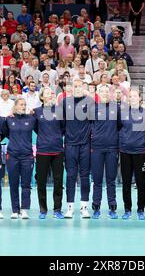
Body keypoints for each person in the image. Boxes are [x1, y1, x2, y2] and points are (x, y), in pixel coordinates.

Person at [33, 88, 65, 219]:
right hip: (42, 151)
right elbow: (35, 128)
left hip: (57, 150)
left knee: (58, 181)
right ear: (42, 97)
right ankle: (43, 209)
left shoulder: (59, 111)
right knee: (41, 181)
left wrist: (56, 137)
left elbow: (63, 127)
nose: (50, 94)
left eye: (51, 93)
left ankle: (57, 209)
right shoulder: (36, 112)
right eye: (47, 93)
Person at [63, 79, 92, 219]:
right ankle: (69, 207)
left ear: (84, 88)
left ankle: (84, 207)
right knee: (70, 176)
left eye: (80, 86)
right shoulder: (65, 102)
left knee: (85, 176)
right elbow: (61, 123)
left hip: (85, 145)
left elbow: (94, 121)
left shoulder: (89, 101)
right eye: (75, 86)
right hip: (70, 145)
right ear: (71, 88)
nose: (78, 88)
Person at [119, 90, 145, 220]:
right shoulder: (123, 113)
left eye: (135, 96)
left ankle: (141, 209)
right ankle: (127, 209)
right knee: (126, 182)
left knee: (141, 182)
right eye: (130, 96)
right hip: (125, 152)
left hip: (140, 153)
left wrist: (143, 142)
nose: (132, 98)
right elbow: (118, 128)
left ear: (140, 98)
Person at [90, 86, 119, 219]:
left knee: (111, 179)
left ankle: (112, 207)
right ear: (98, 94)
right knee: (97, 180)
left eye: (107, 91)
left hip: (112, 148)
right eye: (102, 91)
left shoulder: (116, 108)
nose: (105, 93)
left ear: (110, 94)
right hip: (96, 148)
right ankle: (96, 207)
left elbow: (120, 125)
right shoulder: (93, 109)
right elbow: (89, 126)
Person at [4, 98, 37, 219]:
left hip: (27, 156)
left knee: (26, 184)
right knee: (13, 184)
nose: (23, 106)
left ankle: (24, 209)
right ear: (16, 106)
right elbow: (6, 133)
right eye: (21, 104)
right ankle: (15, 209)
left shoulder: (31, 119)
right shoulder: (9, 119)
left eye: (25, 104)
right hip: (12, 156)